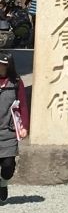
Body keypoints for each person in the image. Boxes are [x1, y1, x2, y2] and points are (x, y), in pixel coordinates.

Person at [0, 51, 29, 202]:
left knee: (8, 166)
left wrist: (24, 125)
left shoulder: (16, 82)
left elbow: (23, 105)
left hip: (9, 130)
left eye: (3, 65)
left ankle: (3, 183)